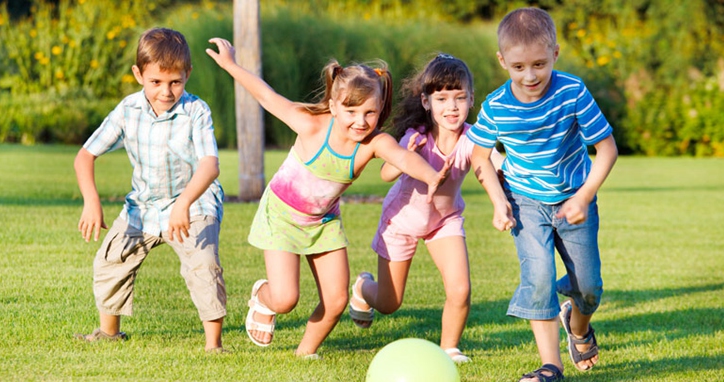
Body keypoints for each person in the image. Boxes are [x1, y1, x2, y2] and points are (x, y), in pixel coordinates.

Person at [206, 37, 448, 358]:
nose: (360, 121)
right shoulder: (311, 125)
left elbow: (402, 157)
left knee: (336, 301)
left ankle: (304, 353)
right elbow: (266, 96)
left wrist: (431, 176)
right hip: (281, 216)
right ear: (334, 106)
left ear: (380, 110)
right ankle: (264, 298)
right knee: (285, 298)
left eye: (370, 112)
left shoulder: (373, 143)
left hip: (323, 223)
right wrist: (231, 65)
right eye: (351, 110)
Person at [468, 7, 618, 382]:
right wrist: (499, 201)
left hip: (574, 199)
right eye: (518, 67)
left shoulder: (572, 92)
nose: (530, 76)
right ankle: (551, 365)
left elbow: (607, 148)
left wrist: (584, 196)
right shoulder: (496, 106)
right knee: (538, 278)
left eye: (539, 64)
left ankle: (578, 326)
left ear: (555, 53)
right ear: (502, 61)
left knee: (589, 288)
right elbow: (479, 156)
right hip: (525, 202)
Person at [73, 28, 228, 353]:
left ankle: (213, 346)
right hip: (143, 207)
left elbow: (210, 166)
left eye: (175, 82)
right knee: (111, 259)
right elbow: (85, 156)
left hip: (194, 203)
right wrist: (91, 201)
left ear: (187, 75)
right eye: (156, 81)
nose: (166, 91)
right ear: (138, 74)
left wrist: (184, 203)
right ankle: (109, 333)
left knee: (203, 264)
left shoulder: (196, 111)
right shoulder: (128, 110)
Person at [349, 54, 503, 364]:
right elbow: (386, 174)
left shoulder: (473, 138)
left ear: (472, 99)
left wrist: (508, 182)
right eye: (442, 99)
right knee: (389, 303)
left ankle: (449, 349)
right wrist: (404, 156)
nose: (452, 107)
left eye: (460, 98)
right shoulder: (416, 136)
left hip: (444, 221)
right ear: (426, 101)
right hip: (401, 221)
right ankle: (362, 287)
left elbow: (493, 163)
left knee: (460, 289)